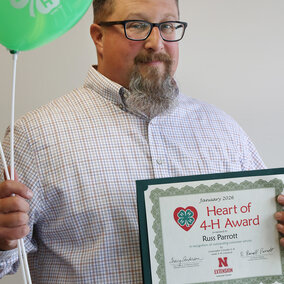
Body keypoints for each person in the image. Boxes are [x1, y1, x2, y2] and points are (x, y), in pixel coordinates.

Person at [0, 0, 283, 282]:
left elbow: (261, 248)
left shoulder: (224, 132)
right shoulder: (34, 137)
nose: (155, 42)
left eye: (168, 26)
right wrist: (3, 243)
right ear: (99, 36)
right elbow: (6, 259)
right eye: (137, 25)